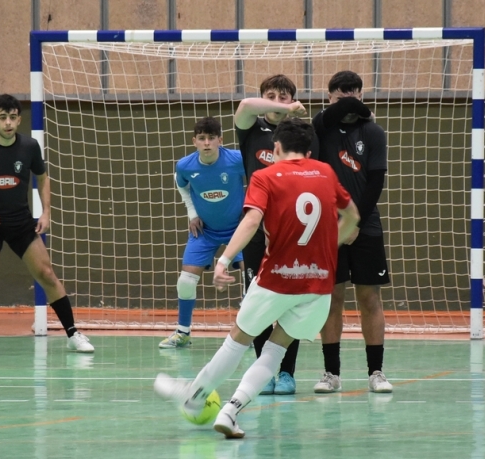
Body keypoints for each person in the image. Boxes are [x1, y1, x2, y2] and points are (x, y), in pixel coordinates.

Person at [154, 118, 360, 439]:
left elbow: (251, 221)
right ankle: (231, 410)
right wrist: (328, 247)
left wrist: (224, 260)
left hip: (276, 279)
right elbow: (353, 217)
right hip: (318, 284)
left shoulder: (265, 176)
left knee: (238, 340)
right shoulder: (326, 172)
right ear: (309, 151)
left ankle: (195, 393)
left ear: (276, 148)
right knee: (276, 351)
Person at [0, 94, 94, 355]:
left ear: (19, 120)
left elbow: (43, 178)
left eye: (12, 117)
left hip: (20, 222)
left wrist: (46, 213)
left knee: (47, 274)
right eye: (2, 117)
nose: (8, 122)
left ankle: (73, 333)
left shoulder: (30, 147)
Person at [234, 74, 316, 395]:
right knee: (257, 304)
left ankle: (286, 373)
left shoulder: (300, 135)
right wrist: (286, 106)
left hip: (290, 232)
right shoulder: (251, 129)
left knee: (287, 305)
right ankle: (263, 372)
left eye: (284, 97)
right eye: (271, 96)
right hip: (257, 231)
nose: (277, 102)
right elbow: (245, 105)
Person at [311, 70, 393, 393]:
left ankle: (376, 372)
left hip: (365, 226)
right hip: (326, 227)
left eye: (354, 95)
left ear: (361, 96)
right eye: (339, 96)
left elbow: (376, 181)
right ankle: (331, 373)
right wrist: (349, 103)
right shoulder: (320, 128)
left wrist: (354, 222)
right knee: (332, 297)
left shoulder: (373, 132)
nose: (347, 103)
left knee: (369, 297)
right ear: (328, 98)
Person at [158, 117, 246, 349]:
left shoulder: (237, 159)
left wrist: (250, 209)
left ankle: (247, 333)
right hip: (205, 231)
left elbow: (258, 178)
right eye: (202, 138)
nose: (207, 143)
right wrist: (192, 213)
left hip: (238, 229)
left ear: (220, 140)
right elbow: (182, 186)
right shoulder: (184, 166)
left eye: (211, 138)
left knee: (251, 276)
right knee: (186, 281)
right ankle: (183, 333)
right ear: (194, 141)